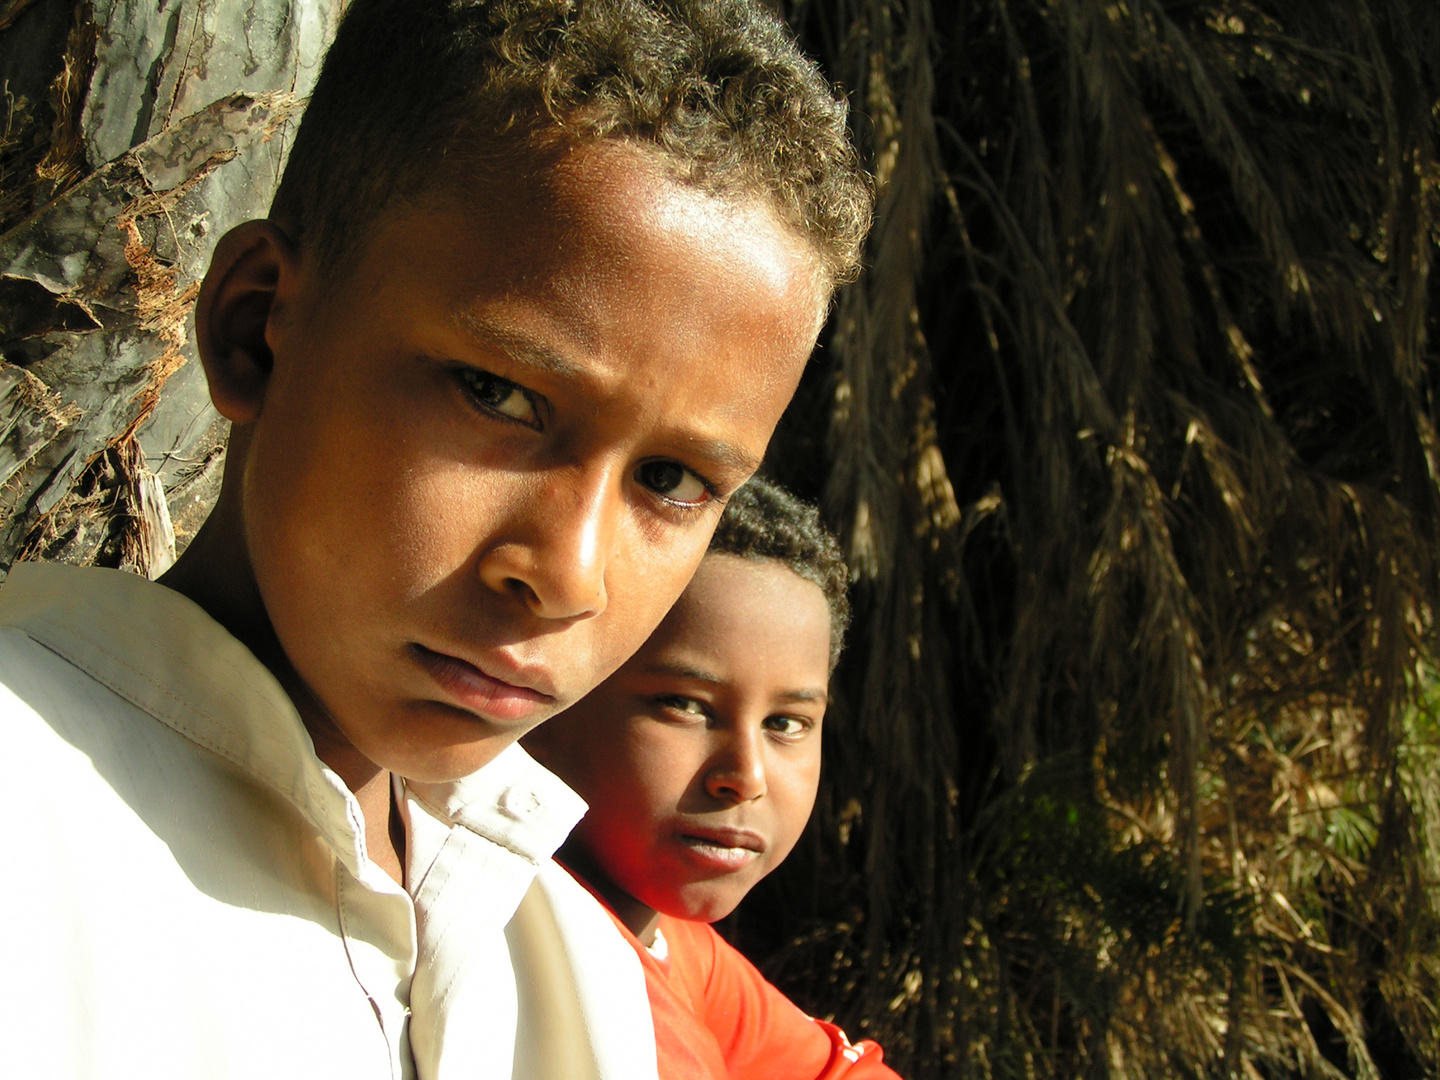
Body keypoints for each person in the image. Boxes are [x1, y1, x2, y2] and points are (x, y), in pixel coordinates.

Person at [0, 2, 871, 1078]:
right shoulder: (27, 818)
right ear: (254, 329)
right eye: (497, 395)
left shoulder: (568, 969)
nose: (568, 573)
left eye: (673, 480)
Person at [525, 478, 901, 1079]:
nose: (745, 776)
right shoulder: (586, 999)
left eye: (786, 723)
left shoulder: (668, 938)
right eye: (685, 705)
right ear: (547, 696)